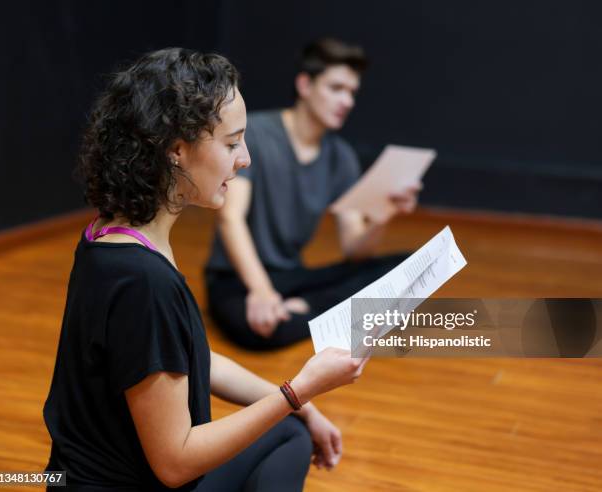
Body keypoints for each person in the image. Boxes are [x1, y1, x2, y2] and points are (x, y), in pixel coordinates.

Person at [43, 47, 368, 492]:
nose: (245, 158)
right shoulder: (144, 281)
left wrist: (303, 406)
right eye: (232, 142)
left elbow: (187, 356)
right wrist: (299, 391)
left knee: (291, 428)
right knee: (286, 428)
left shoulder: (109, 234)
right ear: (177, 149)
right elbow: (175, 463)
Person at [205, 38, 421, 350]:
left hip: (292, 277)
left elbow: (354, 250)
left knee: (409, 267)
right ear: (305, 85)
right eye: (336, 88)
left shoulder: (341, 157)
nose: (347, 101)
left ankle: (302, 308)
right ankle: (312, 311)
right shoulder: (255, 134)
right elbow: (230, 218)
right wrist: (262, 291)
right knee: (260, 331)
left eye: (352, 93)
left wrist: (382, 217)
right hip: (237, 279)